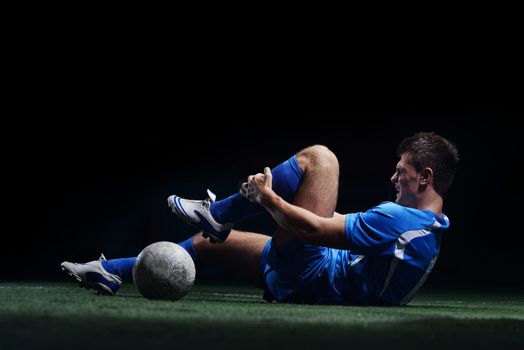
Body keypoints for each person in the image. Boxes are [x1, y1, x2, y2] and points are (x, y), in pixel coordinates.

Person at [61, 132, 459, 306]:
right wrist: (282, 201)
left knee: (322, 159)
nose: (393, 177)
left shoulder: (400, 222)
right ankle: (107, 270)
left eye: (401, 170)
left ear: (425, 177)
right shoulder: (423, 229)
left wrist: (269, 199)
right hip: (316, 275)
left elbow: (312, 228)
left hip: (312, 276)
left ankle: (215, 212)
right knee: (204, 244)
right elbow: (330, 221)